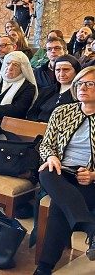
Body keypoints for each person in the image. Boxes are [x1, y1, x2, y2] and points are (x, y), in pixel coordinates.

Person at [34, 66, 95, 274]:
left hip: (88, 179)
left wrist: (93, 175)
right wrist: (51, 156)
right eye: (79, 83)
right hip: (60, 172)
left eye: (89, 84)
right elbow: (46, 144)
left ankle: (44, 267)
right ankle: (89, 225)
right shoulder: (63, 111)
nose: (82, 88)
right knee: (45, 171)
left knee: (60, 207)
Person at [27, 55, 79, 122]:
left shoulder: (79, 94)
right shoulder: (46, 91)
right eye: (58, 70)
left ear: (76, 71)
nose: (61, 74)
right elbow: (32, 113)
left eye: (66, 69)